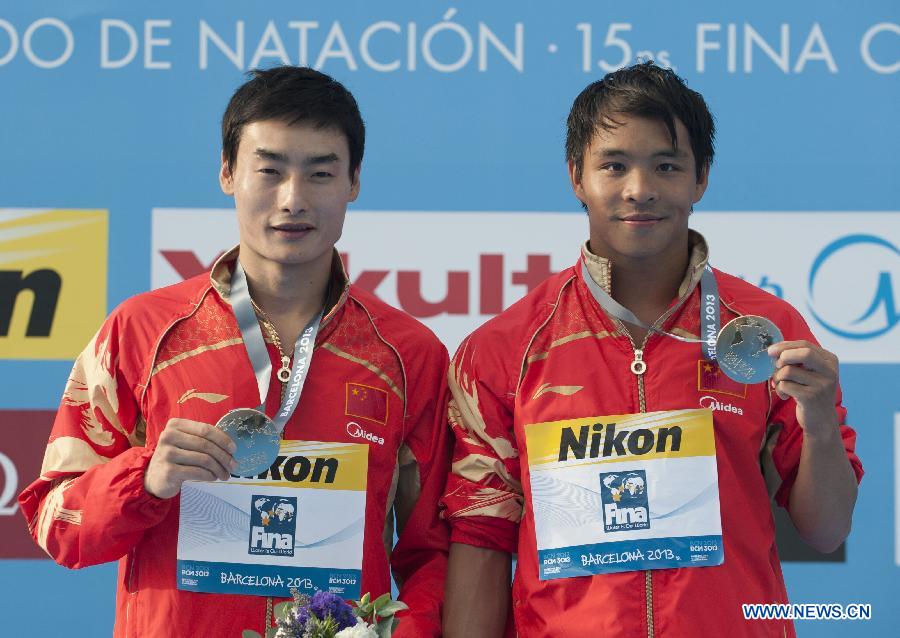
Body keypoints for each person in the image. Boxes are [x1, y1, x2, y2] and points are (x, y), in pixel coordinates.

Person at [19, 66, 450, 637]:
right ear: (227, 173)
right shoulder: (142, 332)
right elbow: (57, 523)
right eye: (269, 171)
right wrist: (144, 478)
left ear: (354, 182)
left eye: (320, 174)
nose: (293, 200)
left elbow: (436, 552)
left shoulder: (407, 354)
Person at [440, 61, 862, 638]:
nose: (640, 190)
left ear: (700, 179)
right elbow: (481, 536)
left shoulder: (766, 330)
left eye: (666, 166)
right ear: (576, 177)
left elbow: (827, 530)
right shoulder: (503, 349)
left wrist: (816, 421)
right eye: (614, 165)